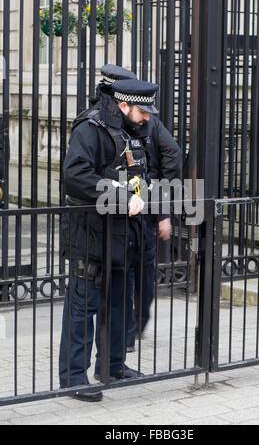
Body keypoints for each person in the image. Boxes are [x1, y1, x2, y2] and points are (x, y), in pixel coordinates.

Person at [59, 76, 180, 402]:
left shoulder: (133, 130)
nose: (148, 118)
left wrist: (148, 202)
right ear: (123, 105)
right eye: (143, 111)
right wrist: (121, 195)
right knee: (83, 309)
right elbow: (75, 176)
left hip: (126, 237)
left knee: (118, 307)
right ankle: (73, 378)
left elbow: (142, 175)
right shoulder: (90, 128)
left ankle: (112, 366)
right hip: (92, 235)